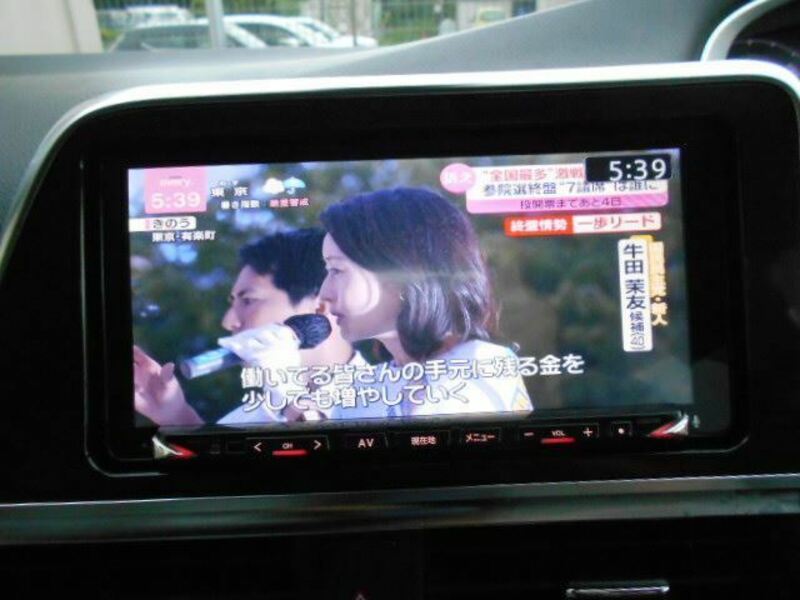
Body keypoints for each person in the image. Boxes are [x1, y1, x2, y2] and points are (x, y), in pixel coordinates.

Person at [318, 187, 533, 419]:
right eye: (328, 270)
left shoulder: (484, 365)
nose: (324, 293)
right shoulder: (359, 393)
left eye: (337, 270)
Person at [133, 228, 363, 426]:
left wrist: (287, 393)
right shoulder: (247, 416)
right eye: (232, 303)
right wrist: (178, 417)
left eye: (248, 301)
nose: (228, 321)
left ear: (320, 308)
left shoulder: (381, 395)